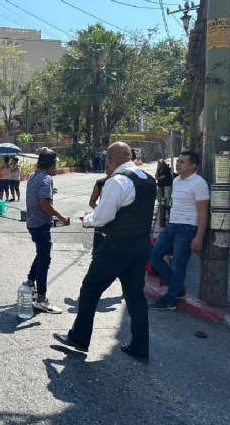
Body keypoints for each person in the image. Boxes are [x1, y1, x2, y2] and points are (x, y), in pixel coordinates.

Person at [54, 142, 156, 363]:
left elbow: (103, 216)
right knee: (135, 296)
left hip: (116, 246)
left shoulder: (118, 181)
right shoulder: (148, 179)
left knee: (90, 289)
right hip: (140, 245)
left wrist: (87, 221)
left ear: (110, 160)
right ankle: (140, 347)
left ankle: (79, 338)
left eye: (106, 161)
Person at [149, 151, 209, 311]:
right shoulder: (176, 180)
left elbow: (203, 212)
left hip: (188, 227)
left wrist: (199, 237)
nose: (178, 164)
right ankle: (178, 287)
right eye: (178, 161)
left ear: (192, 166)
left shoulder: (199, 183)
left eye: (182, 162)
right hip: (172, 225)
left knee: (178, 264)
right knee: (154, 255)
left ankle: (170, 299)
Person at [25, 148, 69, 314]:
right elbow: (44, 204)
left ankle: (30, 283)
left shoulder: (34, 175)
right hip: (41, 225)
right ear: (52, 164)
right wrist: (62, 216)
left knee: (41, 253)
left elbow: (38, 195)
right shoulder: (47, 179)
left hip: (32, 223)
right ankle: (41, 299)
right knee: (45, 259)